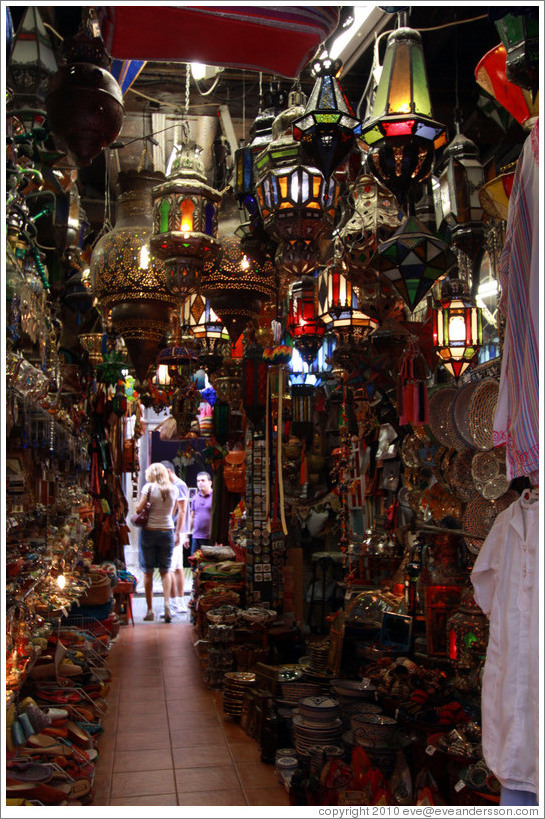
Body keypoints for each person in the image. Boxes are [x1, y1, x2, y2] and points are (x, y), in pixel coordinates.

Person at [135, 462, 178, 623]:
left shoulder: (149, 488)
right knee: (165, 570)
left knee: (148, 571)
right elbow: (172, 512)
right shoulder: (173, 489)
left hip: (150, 532)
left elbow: (139, 510)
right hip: (167, 531)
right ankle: (167, 604)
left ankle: (150, 610)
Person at [160, 460, 189, 614]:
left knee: (169, 567)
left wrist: (178, 533)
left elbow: (182, 510)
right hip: (175, 530)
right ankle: (178, 602)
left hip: (175, 530)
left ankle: (173, 602)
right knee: (177, 567)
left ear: (169, 472)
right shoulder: (174, 486)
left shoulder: (178, 485)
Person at [184, 471, 213, 556]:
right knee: (194, 563)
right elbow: (191, 518)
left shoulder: (215, 497)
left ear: (210, 482)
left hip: (210, 538)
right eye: (198, 481)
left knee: (209, 566)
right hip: (196, 537)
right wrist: (186, 536)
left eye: (203, 480)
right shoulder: (195, 498)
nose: (200, 483)